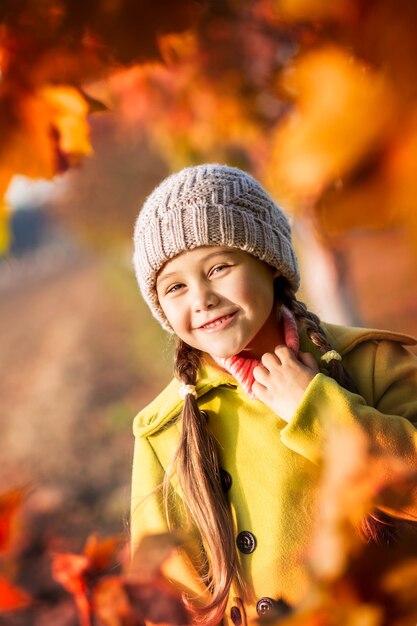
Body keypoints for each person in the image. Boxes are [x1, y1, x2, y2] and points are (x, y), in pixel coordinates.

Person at [131, 163, 417, 626]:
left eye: (219, 267)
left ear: (269, 263)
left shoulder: (374, 361)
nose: (201, 298)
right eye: (175, 287)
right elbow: (163, 600)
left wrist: (317, 410)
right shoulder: (163, 431)